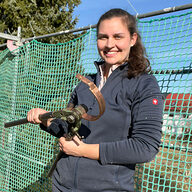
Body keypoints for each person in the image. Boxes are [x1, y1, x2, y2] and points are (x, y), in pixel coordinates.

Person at [27, 8, 164, 192]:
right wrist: (46, 119)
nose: (109, 44)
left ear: (132, 39)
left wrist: (82, 150)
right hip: (62, 185)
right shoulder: (85, 83)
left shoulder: (143, 84)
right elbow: (69, 129)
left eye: (117, 37)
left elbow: (145, 147)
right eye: (103, 37)